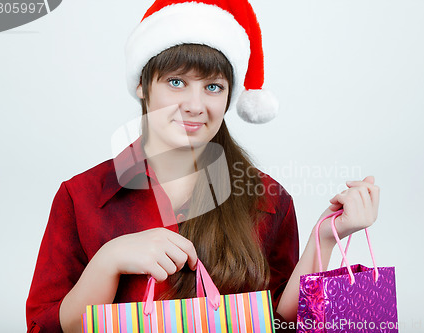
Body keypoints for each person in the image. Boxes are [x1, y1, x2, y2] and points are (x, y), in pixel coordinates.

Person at [26, 0, 380, 332]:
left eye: (213, 86)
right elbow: (45, 326)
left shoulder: (267, 199)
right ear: (142, 85)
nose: (196, 106)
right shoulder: (81, 197)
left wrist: (324, 240)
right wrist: (109, 260)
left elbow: (282, 321)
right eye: (176, 82)